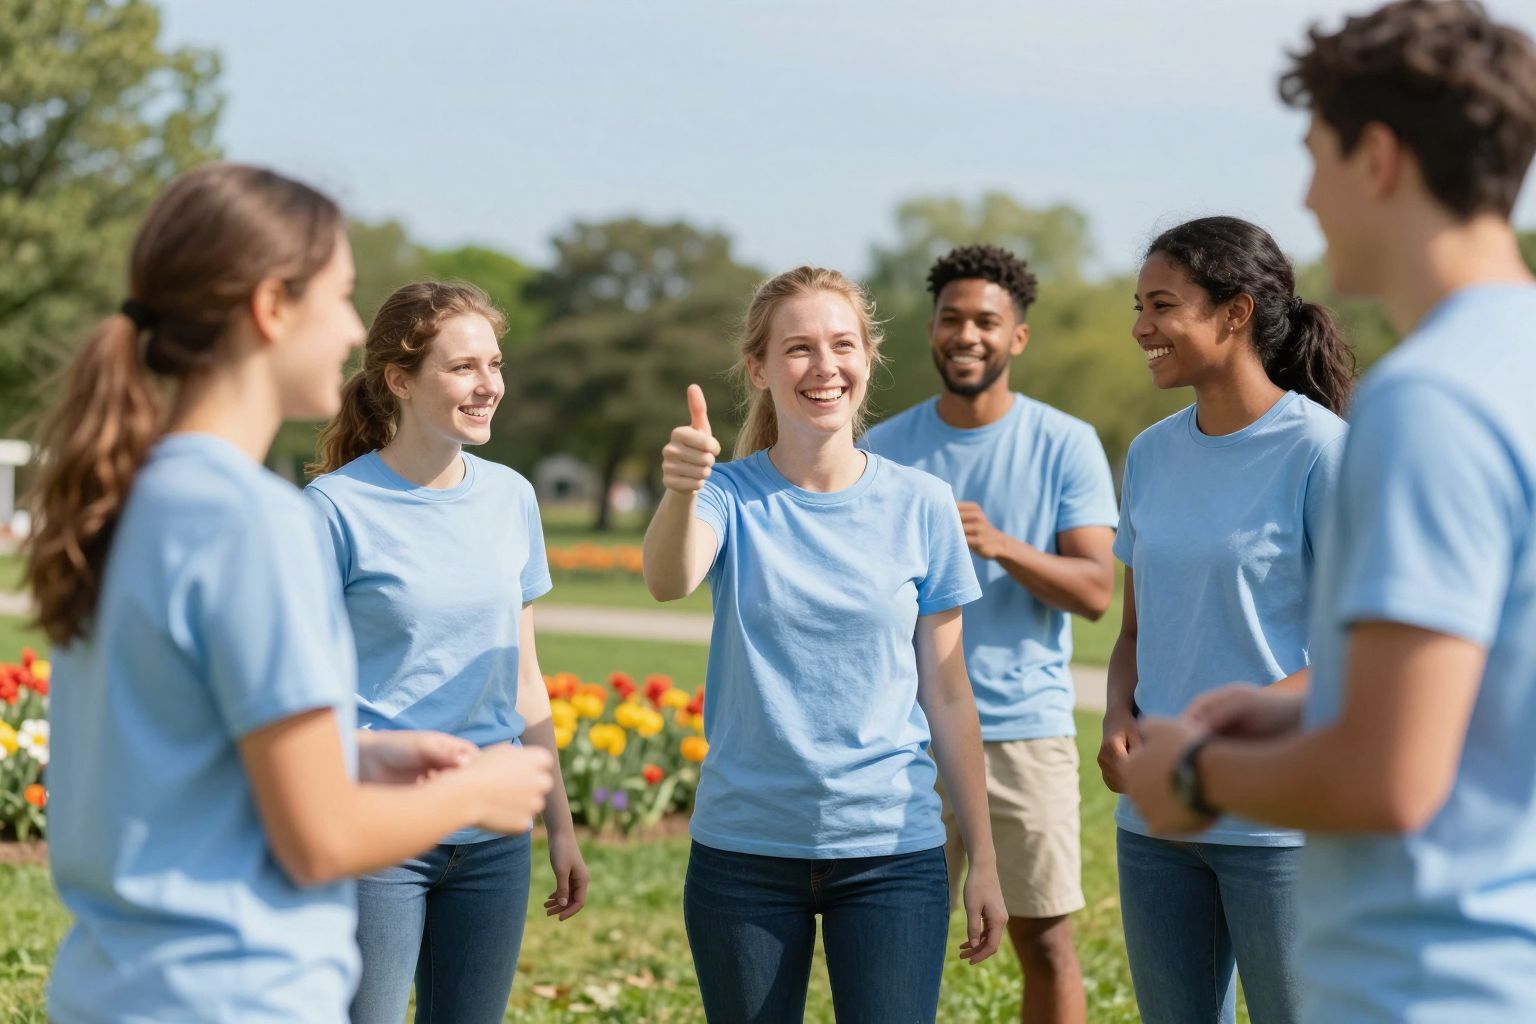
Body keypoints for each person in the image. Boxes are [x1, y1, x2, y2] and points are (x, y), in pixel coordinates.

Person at [30, 164, 553, 1024]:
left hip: (117, 989)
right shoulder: (256, 519)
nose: (353, 329)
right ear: (272, 308)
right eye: (342, 297)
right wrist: (477, 795)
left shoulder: (127, 497)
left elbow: (172, 749)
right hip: (235, 994)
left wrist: (359, 754)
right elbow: (322, 841)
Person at [1122, 4, 1536, 1021]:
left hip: (1423, 980)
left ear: (1380, 160)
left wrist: (1201, 772)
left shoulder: (1427, 400)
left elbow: (1390, 777)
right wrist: (1294, 704)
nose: (1307, 197)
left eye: (1317, 158)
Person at [643, 265, 1007, 1023]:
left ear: (868, 358)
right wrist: (681, 491)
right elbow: (669, 578)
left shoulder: (922, 504)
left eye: (842, 344)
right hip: (744, 852)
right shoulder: (726, 495)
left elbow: (946, 693)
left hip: (891, 852)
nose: (824, 365)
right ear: (760, 368)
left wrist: (985, 859)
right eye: (799, 348)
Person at [306, 280, 587, 1024]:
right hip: (378, 834)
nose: (489, 385)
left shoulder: (512, 498)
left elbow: (524, 679)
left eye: (494, 365)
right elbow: (297, 690)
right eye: (464, 368)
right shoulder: (333, 511)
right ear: (399, 380)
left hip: (493, 839)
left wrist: (557, 823)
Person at [1102, 215, 1354, 1023]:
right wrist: (1117, 717)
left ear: (1234, 312)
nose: (1142, 328)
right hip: (1155, 826)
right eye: (1138, 306)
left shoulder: (1322, 453)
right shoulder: (1148, 454)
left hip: (1283, 825)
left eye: (1162, 305)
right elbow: (1135, 633)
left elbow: (1360, 655)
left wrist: (1211, 745)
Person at [862, 244, 1117, 1024]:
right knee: (891, 947)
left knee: (1043, 944)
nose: (965, 335)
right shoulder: (882, 448)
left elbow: (1098, 591)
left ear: (1017, 338)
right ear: (932, 331)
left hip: (1021, 733)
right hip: (903, 736)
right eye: (950, 319)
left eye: (985, 321)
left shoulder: (1065, 443)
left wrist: (1000, 543)